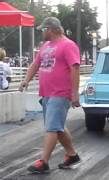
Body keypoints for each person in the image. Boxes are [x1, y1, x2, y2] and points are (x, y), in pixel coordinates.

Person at [19, 17, 81, 174]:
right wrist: (26, 80)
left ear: (50, 29)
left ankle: (44, 162)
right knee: (57, 128)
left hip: (60, 93)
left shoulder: (68, 45)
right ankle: (72, 155)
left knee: (52, 127)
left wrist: (74, 93)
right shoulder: (46, 46)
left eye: (42, 30)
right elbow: (35, 64)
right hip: (47, 93)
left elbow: (75, 69)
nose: (41, 32)